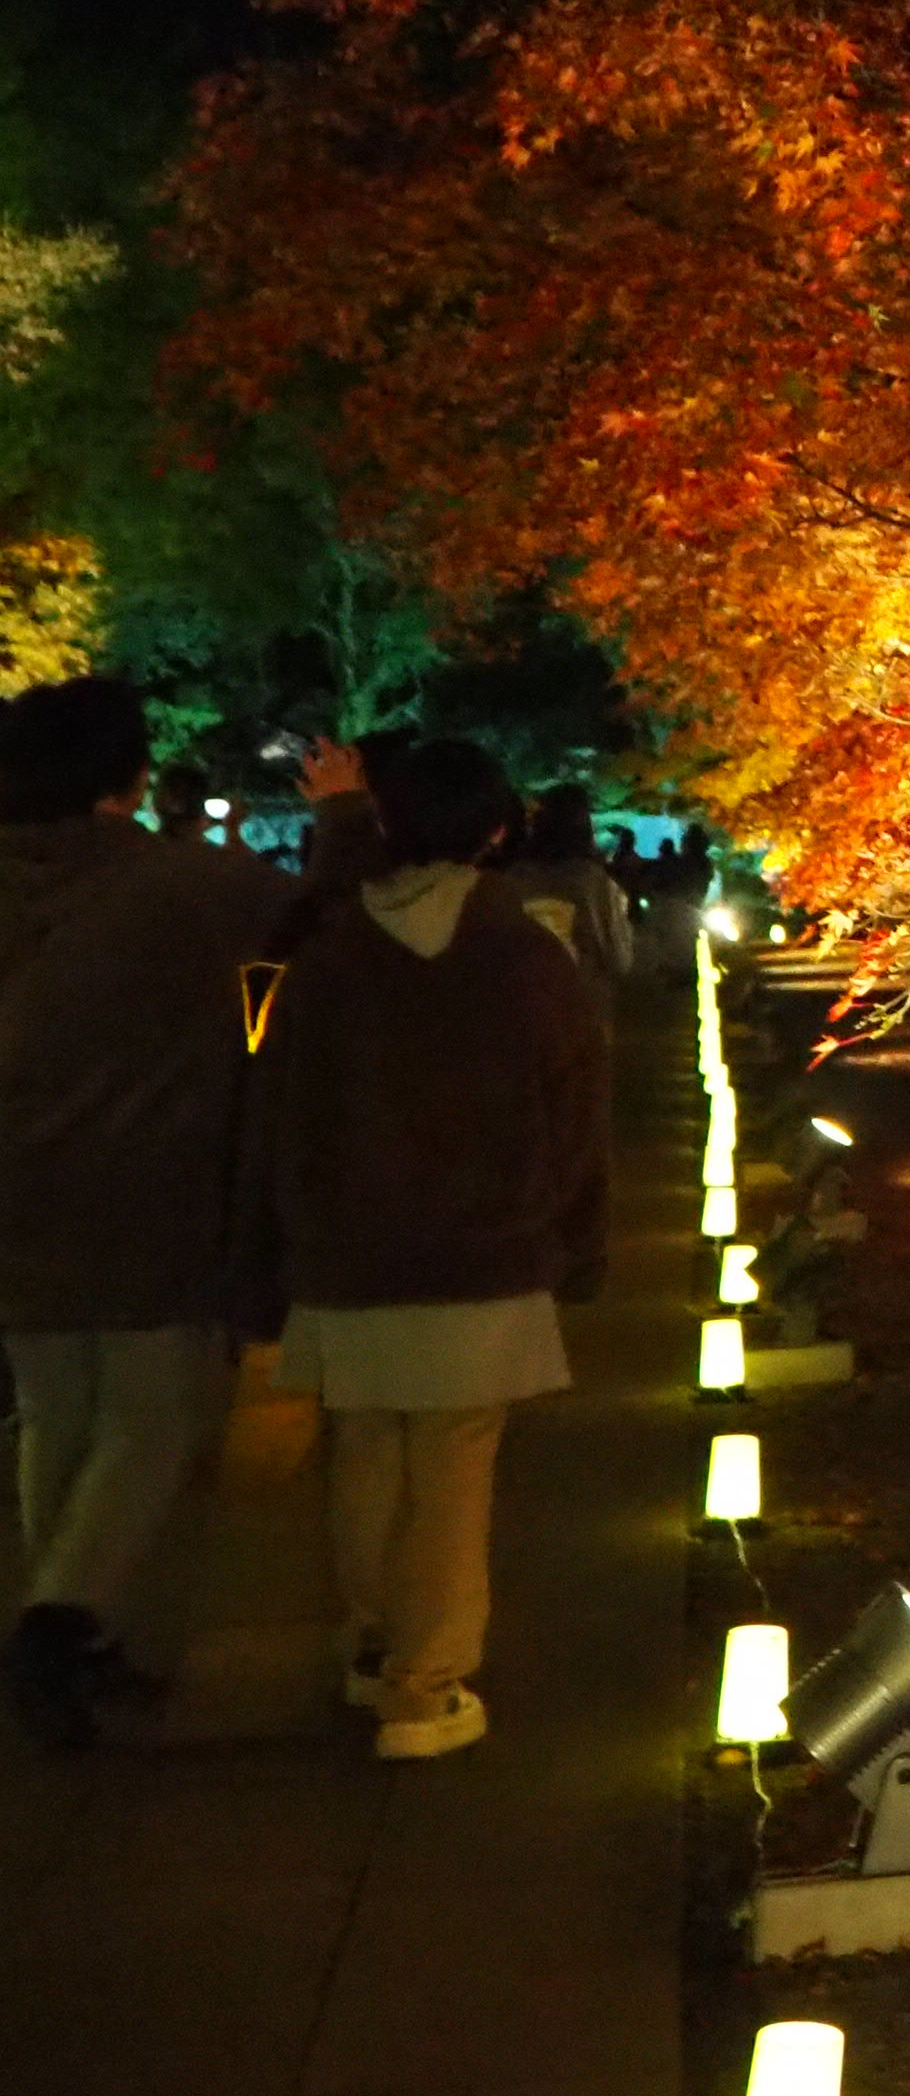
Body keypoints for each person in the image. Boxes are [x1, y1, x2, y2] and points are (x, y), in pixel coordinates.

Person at [0, 684, 358, 1751]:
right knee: (152, 1421)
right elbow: (317, 915)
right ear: (131, 775)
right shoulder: (183, 884)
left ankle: (75, 1629)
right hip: (147, 1185)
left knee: (56, 1413)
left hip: (15, 1198)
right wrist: (342, 810)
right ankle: (58, 1621)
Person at [259, 731, 608, 1760]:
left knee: (365, 1452)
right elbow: (577, 1117)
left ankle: (374, 1648)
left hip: (348, 1250)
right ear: (497, 833)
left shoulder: (326, 953)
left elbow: (278, 1101)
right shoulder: (527, 958)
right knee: (454, 1470)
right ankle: (427, 1684)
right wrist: (576, 1238)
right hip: (485, 1253)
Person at [499, 786, 635, 990]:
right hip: (578, 998)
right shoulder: (596, 885)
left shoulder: (512, 879)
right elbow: (620, 959)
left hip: (522, 996)